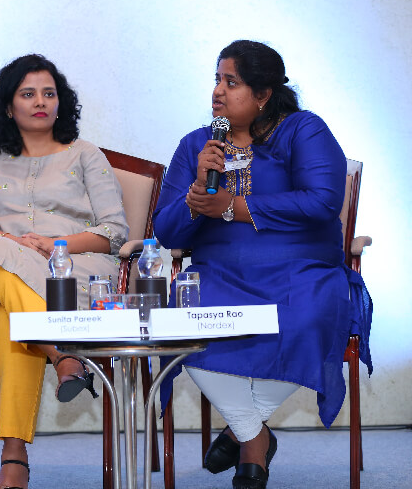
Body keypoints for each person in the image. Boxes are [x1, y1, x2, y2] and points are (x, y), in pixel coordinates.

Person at [153, 40, 372, 489]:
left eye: (231, 82)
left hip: (301, 272)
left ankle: (241, 434)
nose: (218, 91)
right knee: (187, 324)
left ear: (263, 94)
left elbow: (322, 201)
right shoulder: (197, 144)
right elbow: (168, 233)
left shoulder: (302, 130)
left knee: (308, 317)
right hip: (218, 273)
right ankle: (255, 437)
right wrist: (198, 191)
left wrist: (232, 207)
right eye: (217, 79)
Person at [0, 54, 128, 489]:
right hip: (8, 265)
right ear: (8, 105)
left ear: (60, 102)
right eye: (28, 93)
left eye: (49, 93)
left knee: (9, 319)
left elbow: (114, 232)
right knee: (0, 251)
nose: (40, 102)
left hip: (73, 273)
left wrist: (56, 245)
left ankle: (13, 453)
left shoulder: (85, 154)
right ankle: (61, 354)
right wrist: (12, 244)